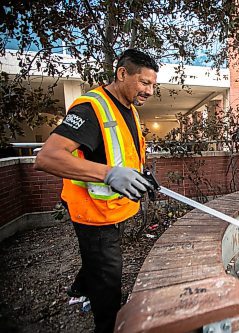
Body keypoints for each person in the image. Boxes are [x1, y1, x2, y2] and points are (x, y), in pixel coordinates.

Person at [34, 49, 158, 333]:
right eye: (144, 82)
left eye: (152, 84)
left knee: (98, 264)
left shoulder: (127, 108)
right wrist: (109, 174)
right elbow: (47, 157)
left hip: (111, 210)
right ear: (122, 73)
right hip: (93, 216)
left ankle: (81, 287)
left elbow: (119, 154)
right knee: (108, 284)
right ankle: (107, 324)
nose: (149, 91)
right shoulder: (91, 109)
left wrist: (141, 175)